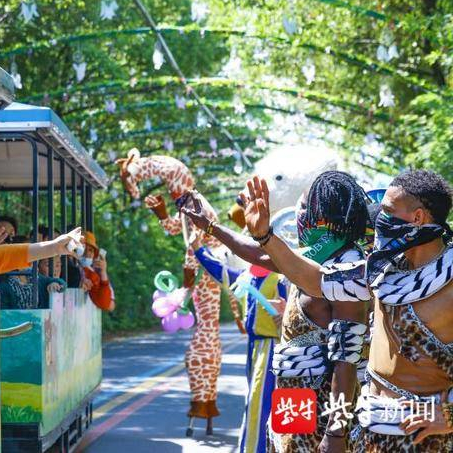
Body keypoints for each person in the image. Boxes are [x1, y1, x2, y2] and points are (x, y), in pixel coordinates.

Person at [235, 170, 453, 450]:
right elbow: (315, 278)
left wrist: (448, 415)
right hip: (370, 435)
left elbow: (345, 361)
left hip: (425, 440)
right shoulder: (381, 271)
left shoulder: (447, 281)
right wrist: (264, 236)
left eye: (388, 211)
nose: (379, 219)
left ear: (418, 218)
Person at [182, 171, 371, 453]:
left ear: (324, 216)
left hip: (323, 410)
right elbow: (259, 254)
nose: (298, 214)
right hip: (295, 399)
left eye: (304, 207)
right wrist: (211, 227)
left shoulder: (349, 270)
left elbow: (346, 360)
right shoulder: (317, 255)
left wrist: (336, 432)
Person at [81, 231, 114, 311]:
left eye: (90, 250)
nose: (87, 253)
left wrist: (103, 272)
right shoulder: (88, 272)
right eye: (83, 248)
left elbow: (109, 305)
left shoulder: (94, 272)